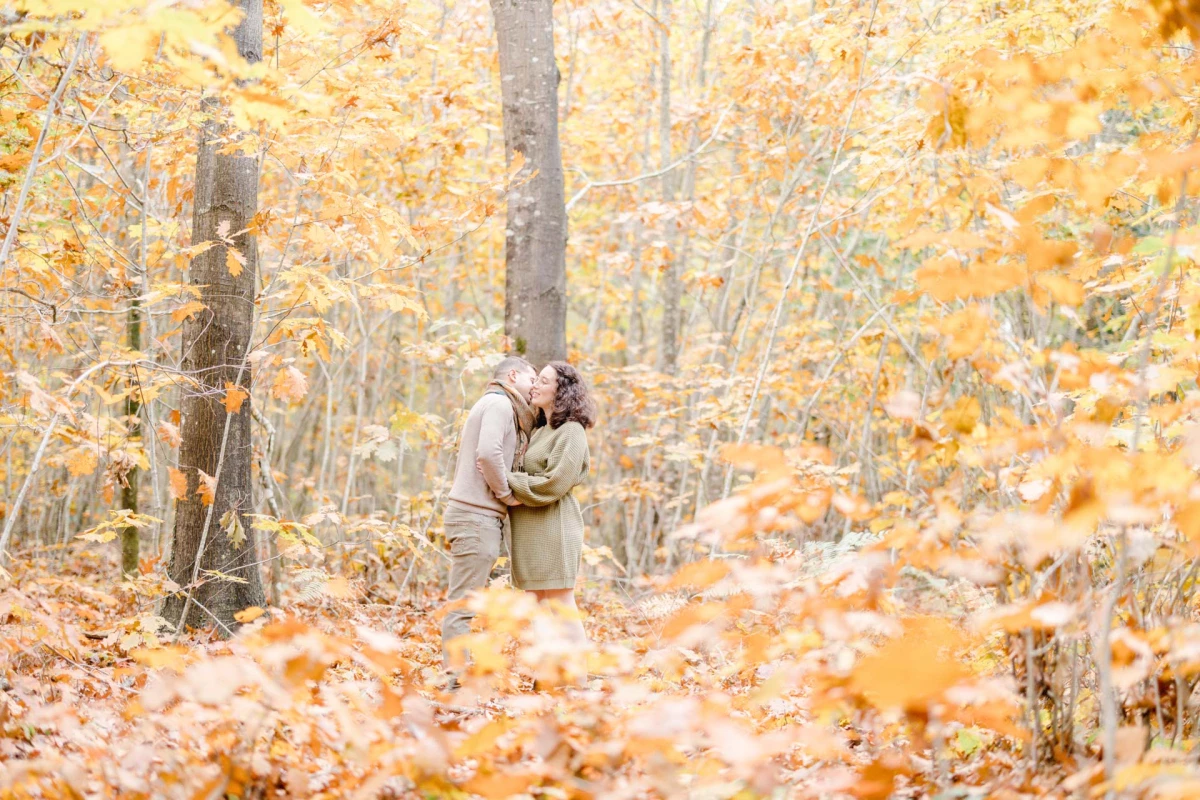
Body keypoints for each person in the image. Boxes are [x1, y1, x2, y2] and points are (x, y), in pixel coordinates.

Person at [440, 355, 537, 678]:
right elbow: (488, 453)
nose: (535, 387)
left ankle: (458, 676)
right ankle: (455, 681)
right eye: (531, 379)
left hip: (477, 517)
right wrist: (507, 494)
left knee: (467, 603)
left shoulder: (497, 403)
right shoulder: (498, 404)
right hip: (474, 516)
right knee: (463, 605)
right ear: (513, 375)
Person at [505, 361, 596, 645]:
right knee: (538, 609)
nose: (534, 386)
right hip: (530, 532)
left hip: (555, 528)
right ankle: (548, 681)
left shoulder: (572, 430)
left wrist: (507, 482)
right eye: (536, 380)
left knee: (561, 605)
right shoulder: (541, 431)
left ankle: (578, 682)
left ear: (562, 391)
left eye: (543, 381)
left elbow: (555, 482)